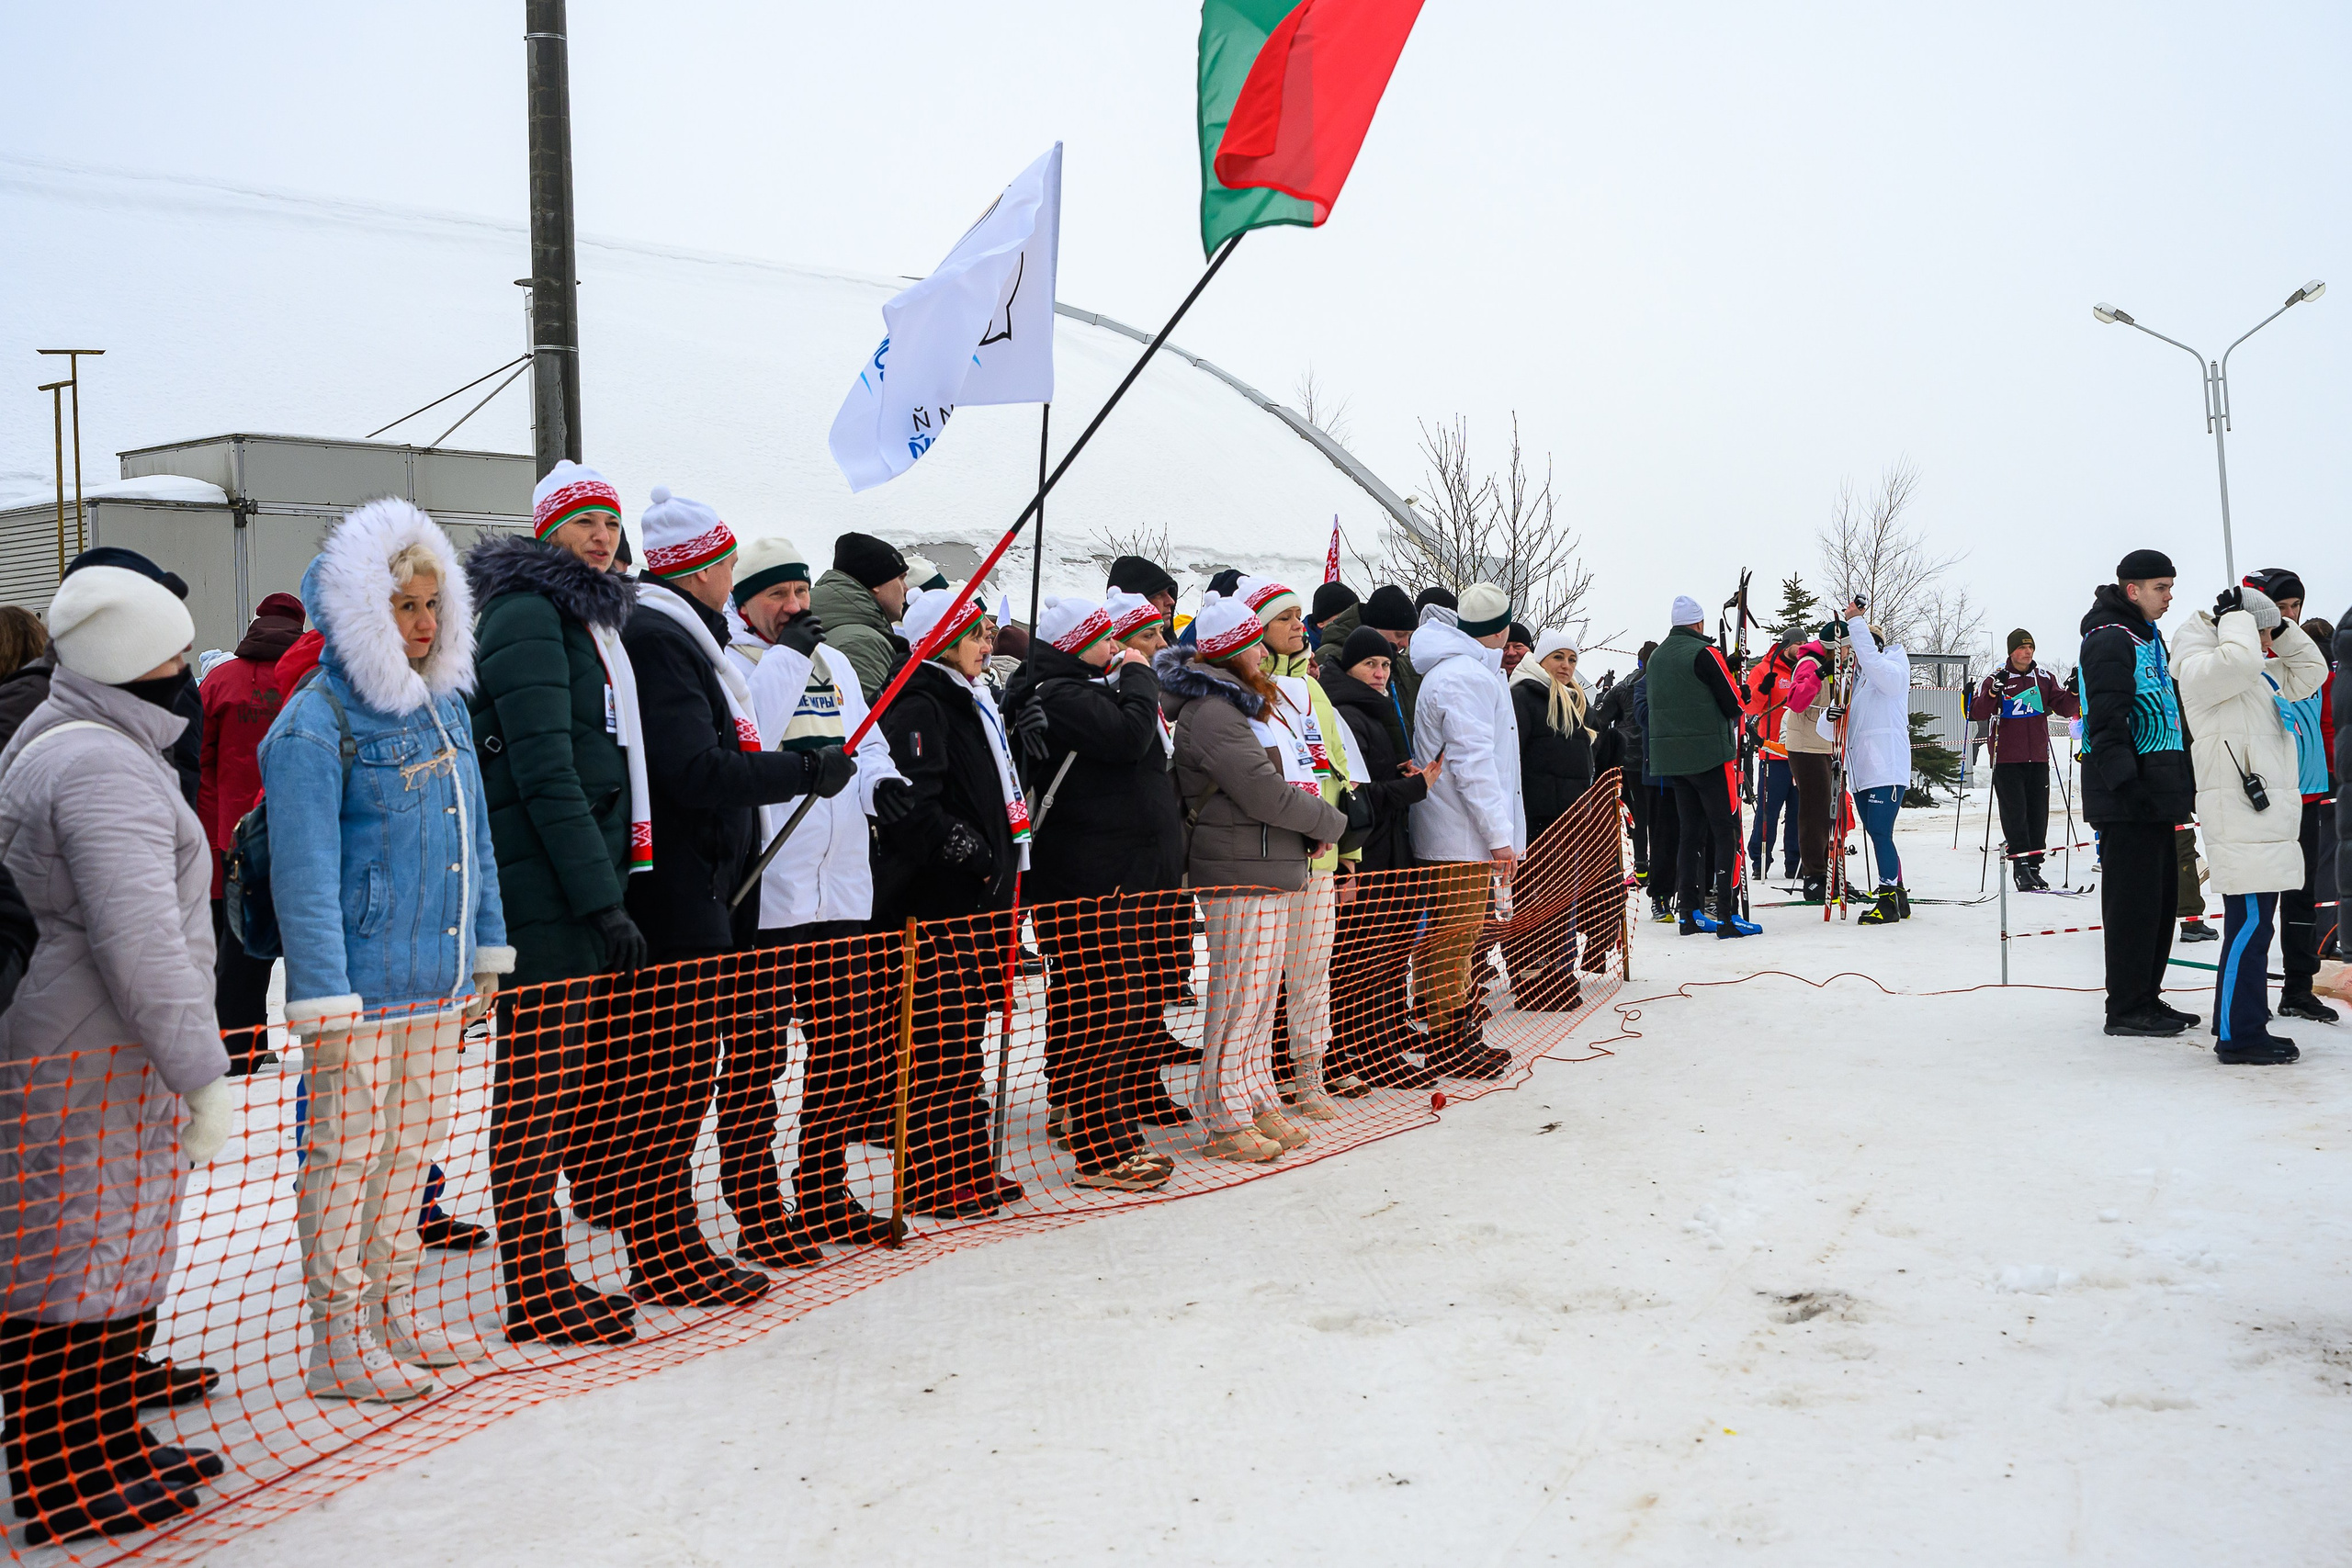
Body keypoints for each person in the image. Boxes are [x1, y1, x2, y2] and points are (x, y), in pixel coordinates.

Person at [0, 551, 231, 1544]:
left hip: (102, 1044)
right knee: (74, 1262)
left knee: (116, 1251)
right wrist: (202, 1073)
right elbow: (142, 945)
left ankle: (106, 1445)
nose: (186, 667)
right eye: (173, 653)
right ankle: (62, 1479)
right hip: (94, 1046)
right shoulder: (96, 764)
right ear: (139, 660)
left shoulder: (91, 737)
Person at [260, 501, 512, 1401]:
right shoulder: (313, 721)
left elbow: (474, 839)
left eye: (434, 605)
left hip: (435, 980)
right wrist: (323, 993)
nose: (424, 622)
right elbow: (304, 872)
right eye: (405, 605)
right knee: (346, 1153)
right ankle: (338, 1334)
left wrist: (486, 949)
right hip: (359, 989)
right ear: (362, 610)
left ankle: (390, 1311)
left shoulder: (443, 709)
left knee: (411, 1149)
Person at [597, 487, 854, 1294]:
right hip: (689, 886)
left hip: (719, 882)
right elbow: (695, 768)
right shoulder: (664, 639)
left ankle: (671, 1242)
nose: (785, 601)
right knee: (674, 1080)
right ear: (707, 573)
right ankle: (664, 1248)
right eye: (737, 571)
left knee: (680, 1079)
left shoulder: (680, 638)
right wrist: (803, 769)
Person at [464, 459, 648, 1346]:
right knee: (535, 1092)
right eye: (583, 524)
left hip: (570, 882)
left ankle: (545, 1277)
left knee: (557, 1087)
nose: (602, 537)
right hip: (544, 889)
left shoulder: (580, 616)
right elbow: (544, 771)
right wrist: (599, 898)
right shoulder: (530, 613)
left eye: (609, 523)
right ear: (546, 534)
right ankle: (534, 1288)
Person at [720, 534, 906, 1247]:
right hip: (772, 888)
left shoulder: (830, 661)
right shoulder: (740, 664)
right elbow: (758, 744)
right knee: (759, 1059)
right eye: (778, 596)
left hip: (841, 888)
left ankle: (822, 1188)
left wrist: (881, 785)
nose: (795, 607)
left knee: (847, 1046)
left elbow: (866, 741)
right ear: (748, 604)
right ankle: (757, 1208)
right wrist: (791, 657)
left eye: (800, 593)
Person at [1157, 594, 1348, 1160]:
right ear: (1233, 652)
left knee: (1260, 996)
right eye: (1254, 647)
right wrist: (1328, 822)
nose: (1264, 656)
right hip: (1237, 866)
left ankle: (1254, 1093)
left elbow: (1292, 776)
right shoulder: (1215, 712)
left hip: (1266, 860)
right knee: (1238, 996)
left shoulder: (1247, 705)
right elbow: (1261, 790)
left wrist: (1310, 823)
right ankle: (1221, 1112)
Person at [1002, 594, 1182, 1190]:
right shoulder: (1064, 694)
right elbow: (1129, 737)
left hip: (1116, 874)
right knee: (1105, 1007)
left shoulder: (1079, 690)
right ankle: (1100, 1145)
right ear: (1075, 643)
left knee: (1114, 1006)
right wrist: (1137, 674)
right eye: (1103, 638)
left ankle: (1108, 1129)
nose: (1118, 646)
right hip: (1089, 878)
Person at [872, 584, 1027, 1214]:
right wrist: (972, 849)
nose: (987, 644)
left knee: (964, 1039)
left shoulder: (973, 701)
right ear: (938, 639)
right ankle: (933, 1175)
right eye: (974, 633)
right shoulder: (922, 701)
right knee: (940, 1041)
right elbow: (916, 805)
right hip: (935, 901)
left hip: (975, 898)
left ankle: (966, 1162)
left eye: (990, 633)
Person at [2173, 582, 2324, 1064]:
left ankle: (2237, 1020)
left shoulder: (2256, 670)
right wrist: (2240, 621)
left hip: (2261, 818)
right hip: (2240, 815)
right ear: (2233, 629)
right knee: (2251, 925)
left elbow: (2311, 670)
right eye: (2260, 632)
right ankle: (2240, 1035)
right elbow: (2236, 662)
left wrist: (2277, 626)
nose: (2265, 645)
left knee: (2255, 927)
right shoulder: (2202, 666)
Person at [1251, 578, 1367, 1105]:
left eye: (1301, 616)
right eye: (1286, 618)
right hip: (1269, 854)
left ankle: (1309, 1075)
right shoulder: (1248, 685)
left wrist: (1347, 854)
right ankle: (1255, 1083)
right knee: (1258, 979)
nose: (1300, 626)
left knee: (1312, 971)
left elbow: (1338, 770)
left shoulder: (1314, 687)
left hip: (1319, 857)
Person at [1407, 583, 1528, 1073]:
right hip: (1459, 834)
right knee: (1453, 939)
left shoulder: (1466, 671)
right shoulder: (1464, 677)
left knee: (1454, 939)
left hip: (1458, 829)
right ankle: (1449, 1039)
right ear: (1500, 629)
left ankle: (1455, 1031)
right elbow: (1474, 765)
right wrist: (1500, 838)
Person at [2079, 550, 2196, 1038]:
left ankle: (2147, 996)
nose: (2170, 597)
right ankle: (2125, 1007)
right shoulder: (2109, 638)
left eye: (2170, 587)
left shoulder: (2149, 637)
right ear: (2133, 590)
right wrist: (2127, 784)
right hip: (2128, 796)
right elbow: (2107, 721)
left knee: (2160, 900)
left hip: (2158, 791)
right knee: (2132, 904)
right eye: (2161, 588)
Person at [1317, 626, 1438, 1087]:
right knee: (1362, 959)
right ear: (1350, 666)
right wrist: (1414, 786)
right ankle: (1355, 1052)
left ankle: (1378, 1046)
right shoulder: (1347, 711)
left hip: (1387, 847)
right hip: (1364, 855)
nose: (1381, 672)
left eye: (1386, 664)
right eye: (1371, 663)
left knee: (1387, 956)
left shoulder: (1372, 708)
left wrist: (1400, 773)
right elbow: (1356, 794)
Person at [198, 592, 305, 1065]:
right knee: (311, 936)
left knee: (238, 943)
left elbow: (197, 760)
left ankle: (240, 1045)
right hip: (302, 827)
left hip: (232, 834)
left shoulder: (218, 681)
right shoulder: (310, 681)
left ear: (256, 623)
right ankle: (326, 1039)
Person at [2238, 570, 2335, 1022]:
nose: (2289, 616)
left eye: (2296, 606)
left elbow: (2324, 726)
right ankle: (2251, 994)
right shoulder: (2248, 663)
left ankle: (2299, 987)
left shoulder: (2306, 661)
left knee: (2304, 897)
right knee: (2263, 901)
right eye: (2281, 607)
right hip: (2270, 799)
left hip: (2311, 794)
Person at [1644, 595, 1758, 938]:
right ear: (1699, 624)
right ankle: (1726, 914)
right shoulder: (1705, 653)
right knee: (1726, 831)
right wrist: (1744, 690)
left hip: (1673, 761)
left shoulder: (1657, 658)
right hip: (1710, 755)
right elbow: (1734, 704)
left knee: (1689, 834)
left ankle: (1688, 914)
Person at [1969, 629, 2082, 891]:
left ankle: (2034, 865)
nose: (2027, 652)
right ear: (2011, 651)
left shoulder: (2043, 678)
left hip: (2038, 758)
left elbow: (2064, 708)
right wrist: (1992, 693)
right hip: (2007, 758)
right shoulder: (1997, 677)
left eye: (2030, 647)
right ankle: (2020, 866)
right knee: (2015, 813)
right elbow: (1978, 711)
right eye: (2022, 648)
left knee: (2037, 815)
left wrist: (2074, 692)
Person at [1834, 603, 1915, 927]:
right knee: (1878, 833)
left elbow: (1875, 664)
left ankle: (1887, 898)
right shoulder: (1858, 685)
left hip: (1887, 767)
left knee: (1881, 831)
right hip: (1863, 772)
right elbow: (1832, 728)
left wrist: (1855, 623)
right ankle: (1899, 895)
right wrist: (1831, 717)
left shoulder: (1893, 668)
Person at [809, 532, 910, 704]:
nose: (906, 589)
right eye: (900, 578)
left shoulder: (849, 628)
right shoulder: (861, 643)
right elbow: (880, 723)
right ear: (877, 582)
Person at [1780, 632, 1838, 903]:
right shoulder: (1810, 664)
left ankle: (1825, 869)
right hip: (1806, 746)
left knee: (1828, 809)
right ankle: (1814, 876)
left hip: (1824, 744)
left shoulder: (1834, 664)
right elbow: (1795, 701)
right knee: (1815, 810)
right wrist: (1819, 676)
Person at [1741, 631, 1804, 880]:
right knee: (1768, 811)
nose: (1801, 648)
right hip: (1772, 754)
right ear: (1786, 645)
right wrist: (1762, 689)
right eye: (1798, 643)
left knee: (1798, 813)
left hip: (1800, 754)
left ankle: (1795, 862)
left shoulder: (1805, 668)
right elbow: (1749, 707)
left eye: (1804, 644)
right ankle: (1760, 860)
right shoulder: (1764, 669)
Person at [1591, 641, 1653, 886]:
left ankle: (1640, 866)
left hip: (1626, 758)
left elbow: (1600, 719)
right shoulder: (1657, 682)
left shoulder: (1623, 686)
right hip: (1649, 757)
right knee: (1654, 815)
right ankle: (1647, 866)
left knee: (1634, 816)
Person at [1353, 585, 1422, 737]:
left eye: (1409, 636)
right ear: (1375, 627)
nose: (1405, 643)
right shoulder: (1339, 659)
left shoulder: (1404, 666)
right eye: (1399, 634)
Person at [1309, 582, 1361, 659]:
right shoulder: (1301, 652)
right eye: (1344, 615)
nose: (1352, 619)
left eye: (1355, 613)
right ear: (1321, 623)